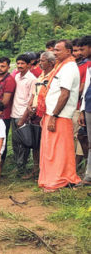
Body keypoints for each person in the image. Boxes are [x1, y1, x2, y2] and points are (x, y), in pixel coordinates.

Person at [37, 40, 81, 191]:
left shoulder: (69, 68)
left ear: (69, 51)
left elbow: (65, 94)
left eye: (58, 50)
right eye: (54, 50)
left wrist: (54, 116)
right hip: (53, 114)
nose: (55, 53)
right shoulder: (61, 67)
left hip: (60, 116)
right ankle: (55, 179)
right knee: (51, 149)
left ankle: (59, 180)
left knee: (58, 151)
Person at [11, 53, 37, 177]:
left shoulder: (32, 79)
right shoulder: (16, 77)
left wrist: (24, 117)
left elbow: (31, 100)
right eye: (18, 63)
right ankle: (17, 165)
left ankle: (21, 167)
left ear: (28, 65)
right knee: (15, 142)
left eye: (22, 63)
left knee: (24, 143)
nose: (20, 66)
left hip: (23, 114)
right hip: (14, 113)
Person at [0, 57, 16, 163]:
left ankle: (0, 165)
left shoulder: (10, 80)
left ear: (8, 67)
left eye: (3, 66)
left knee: (1, 140)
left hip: (4, 115)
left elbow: (5, 102)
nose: (0, 68)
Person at [77, 35, 91, 185]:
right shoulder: (89, 67)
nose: (80, 52)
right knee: (89, 141)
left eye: (83, 49)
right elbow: (86, 88)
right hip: (88, 106)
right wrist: (82, 110)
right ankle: (88, 176)